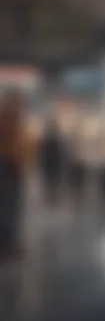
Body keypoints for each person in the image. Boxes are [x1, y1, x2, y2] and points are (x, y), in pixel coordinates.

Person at [0, 91, 34, 262]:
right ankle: (5, 244)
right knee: (6, 206)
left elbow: (22, 143)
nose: (21, 106)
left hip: (14, 166)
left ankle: (10, 242)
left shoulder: (16, 120)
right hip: (7, 165)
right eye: (19, 102)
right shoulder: (6, 119)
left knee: (12, 207)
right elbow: (12, 144)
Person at [39, 120, 65, 205]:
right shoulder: (54, 140)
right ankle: (52, 196)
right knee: (52, 182)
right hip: (51, 164)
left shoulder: (48, 140)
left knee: (52, 182)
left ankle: (51, 196)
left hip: (51, 164)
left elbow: (43, 154)